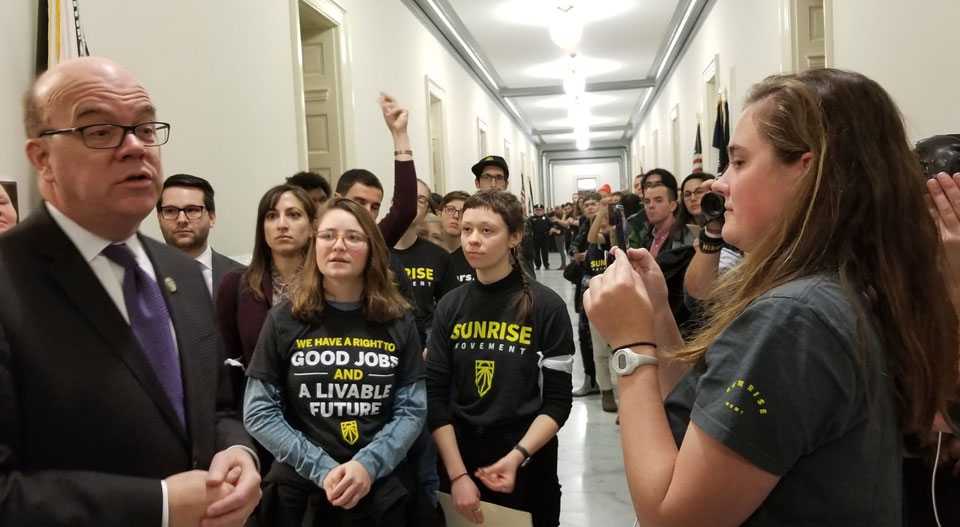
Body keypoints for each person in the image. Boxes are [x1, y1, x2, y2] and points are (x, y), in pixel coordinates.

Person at [584, 68, 958, 526]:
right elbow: (707, 418)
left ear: (806, 172)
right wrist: (658, 314)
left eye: (739, 162)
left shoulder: (792, 318)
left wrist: (630, 347)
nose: (719, 184)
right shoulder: (836, 287)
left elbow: (672, 518)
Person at [0, 56, 260, 526]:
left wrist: (238, 450)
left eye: (145, 127)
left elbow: (215, 408)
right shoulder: (10, 281)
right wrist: (157, 506)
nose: (135, 148)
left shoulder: (185, 275)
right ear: (42, 158)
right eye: (99, 131)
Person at [243, 198, 428, 526]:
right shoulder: (285, 318)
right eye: (328, 235)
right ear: (314, 243)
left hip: (379, 489)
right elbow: (259, 411)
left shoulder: (398, 319)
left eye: (353, 237)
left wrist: (367, 466)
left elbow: (412, 409)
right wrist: (322, 469)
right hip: (302, 492)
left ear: (371, 248)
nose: (339, 245)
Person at [426, 190, 573, 527]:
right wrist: (458, 475)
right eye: (466, 230)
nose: (473, 240)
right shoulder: (450, 305)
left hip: (526, 457)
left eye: (487, 230)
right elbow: (435, 396)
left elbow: (557, 402)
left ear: (515, 237)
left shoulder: (545, 306)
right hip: (462, 456)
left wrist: (517, 457)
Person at [217, 185, 317, 417]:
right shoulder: (236, 284)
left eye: (293, 215)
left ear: (313, 227)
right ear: (262, 227)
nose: (282, 224)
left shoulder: (330, 284)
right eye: (272, 216)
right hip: (258, 413)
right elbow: (228, 362)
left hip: (319, 418)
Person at [333, 93, 417, 248]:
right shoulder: (314, 239)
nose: (367, 212)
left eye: (375, 207)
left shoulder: (372, 242)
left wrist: (400, 135)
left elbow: (405, 209)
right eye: (359, 202)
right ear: (337, 199)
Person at [157, 173, 243, 301]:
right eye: (170, 211)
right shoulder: (143, 274)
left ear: (212, 217)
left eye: (192, 210)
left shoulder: (243, 278)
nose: (181, 220)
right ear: (159, 219)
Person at [392, 179, 456, 348]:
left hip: (428, 338)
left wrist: (434, 345)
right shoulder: (375, 250)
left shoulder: (439, 256)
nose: (412, 203)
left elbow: (450, 309)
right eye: (407, 195)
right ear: (393, 201)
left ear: (427, 209)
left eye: (421, 200)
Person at [439, 190, 475, 285]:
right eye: (450, 210)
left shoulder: (474, 254)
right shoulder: (430, 254)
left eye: (463, 212)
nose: (456, 216)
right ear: (439, 214)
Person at [530, 204, 552, 270]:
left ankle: (546, 265)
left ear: (542, 211)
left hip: (544, 237)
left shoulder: (546, 218)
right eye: (537, 210)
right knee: (536, 252)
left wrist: (551, 230)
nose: (538, 211)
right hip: (535, 238)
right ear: (534, 211)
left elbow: (552, 225)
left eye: (540, 210)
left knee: (545, 252)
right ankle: (538, 265)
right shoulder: (532, 219)